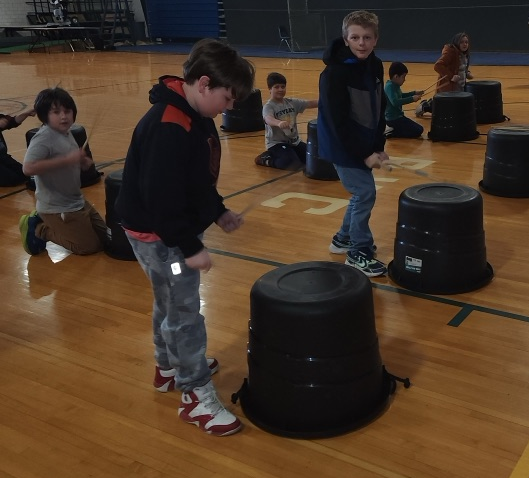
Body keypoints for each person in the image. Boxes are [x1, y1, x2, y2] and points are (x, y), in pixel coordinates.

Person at [116, 40, 255, 437]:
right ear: (204, 84)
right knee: (184, 311)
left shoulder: (196, 114)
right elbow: (162, 200)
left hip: (166, 230)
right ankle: (195, 395)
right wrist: (189, 248)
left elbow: (195, 179)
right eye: (227, 98)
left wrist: (217, 211)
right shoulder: (170, 125)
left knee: (168, 301)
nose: (228, 108)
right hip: (160, 235)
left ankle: (168, 369)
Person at [317, 9, 389, 278]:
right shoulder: (334, 74)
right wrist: (363, 154)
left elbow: (379, 106)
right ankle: (358, 251)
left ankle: (342, 238)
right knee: (365, 193)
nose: (362, 43)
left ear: (376, 39)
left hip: (365, 142)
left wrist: (378, 145)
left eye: (367, 37)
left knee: (360, 194)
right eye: (355, 37)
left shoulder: (376, 64)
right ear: (345, 39)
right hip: (342, 145)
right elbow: (338, 123)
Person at [19, 87, 108, 255]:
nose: (63, 116)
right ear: (45, 115)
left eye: (67, 111)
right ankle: (40, 228)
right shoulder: (43, 138)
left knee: (106, 239)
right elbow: (28, 168)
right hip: (56, 207)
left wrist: (81, 162)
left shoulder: (65, 132)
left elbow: (66, 161)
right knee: (89, 247)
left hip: (76, 201)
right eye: (56, 112)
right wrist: (67, 160)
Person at [255, 71, 318, 169]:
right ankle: (266, 158)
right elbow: (268, 119)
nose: (280, 89)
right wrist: (279, 123)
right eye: (276, 87)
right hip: (277, 143)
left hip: (294, 142)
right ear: (270, 89)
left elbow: (310, 103)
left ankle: (292, 154)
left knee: (312, 158)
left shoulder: (291, 102)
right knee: (290, 163)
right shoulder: (269, 106)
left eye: (283, 87)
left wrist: (327, 101)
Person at [416, 32, 473, 117]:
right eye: (462, 42)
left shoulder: (464, 54)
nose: (465, 44)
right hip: (449, 87)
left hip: (459, 86)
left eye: (466, 42)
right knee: (446, 109)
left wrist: (467, 73)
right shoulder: (451, 52)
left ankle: (432, 104)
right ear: (457, 42)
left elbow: (460, 67)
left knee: (455, 108)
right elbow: (438, 66)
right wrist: (451, 76)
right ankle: (425, 106)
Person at [384, 62, 424, 138]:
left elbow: (401, 95)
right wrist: (412, 98)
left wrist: (414, 93)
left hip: (399, 117)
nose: (404, 80)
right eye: (403, 77)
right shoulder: (390, 86)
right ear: (396, 76)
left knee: (419, 129)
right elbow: (395, 102)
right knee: (418, 130)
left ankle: (394, 130)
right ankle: (392, 133)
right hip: (393, 119)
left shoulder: (395, 85)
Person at [0, 103, 35, 187]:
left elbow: (13, 121)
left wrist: (27, 113)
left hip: (2, 156)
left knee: (24, 174)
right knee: (13, 180)